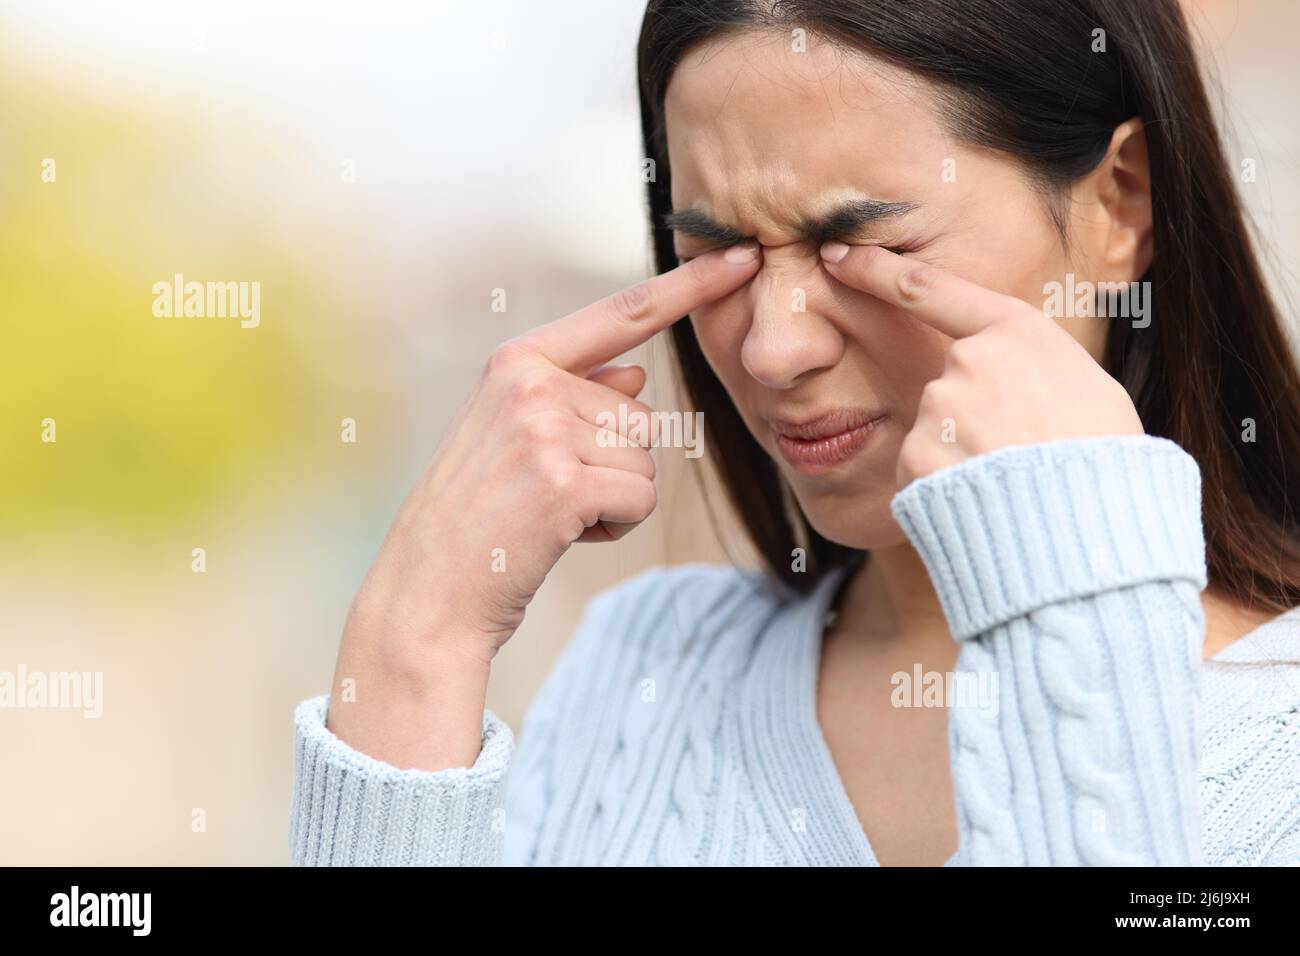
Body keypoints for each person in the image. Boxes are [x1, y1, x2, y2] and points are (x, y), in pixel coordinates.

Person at [290, 0, 1300, 866]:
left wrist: (1070, 598)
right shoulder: (644, 669)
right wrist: (411, 644)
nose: (773, 349)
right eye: (716, 249)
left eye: (863, 242)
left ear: (1121, 202)